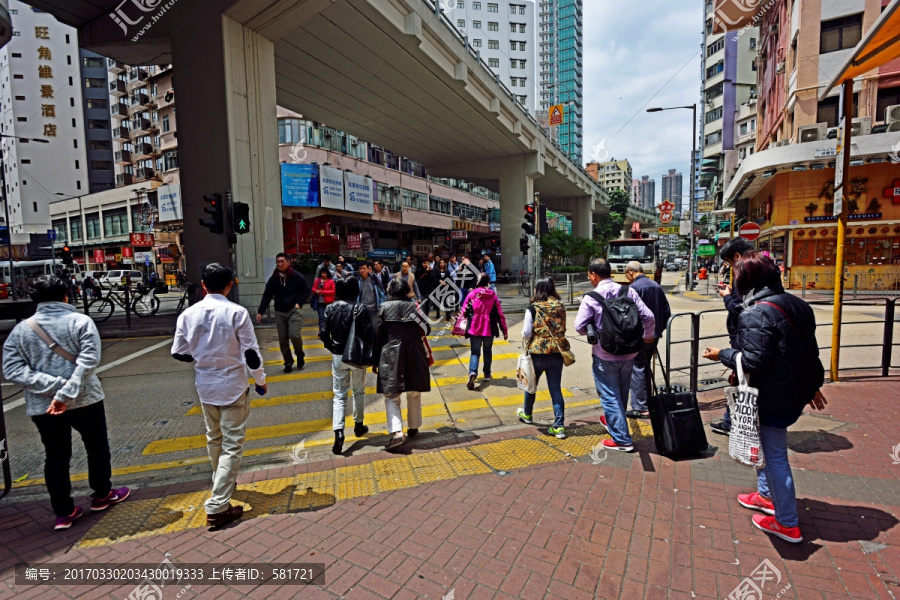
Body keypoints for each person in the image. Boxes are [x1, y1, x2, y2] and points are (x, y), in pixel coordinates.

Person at [702, 251, 826, 544]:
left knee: (775, 457)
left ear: (748, 280)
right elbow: (809, 353)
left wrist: (723, 354)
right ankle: (766, 495)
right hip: (792, 391)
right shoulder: (797, 304)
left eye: (737, 276)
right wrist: (812, 386)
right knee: (769, 450)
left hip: (772, 396)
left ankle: (787, 523)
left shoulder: (755, 312)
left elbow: (755, 361)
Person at [3, 275, 130, 531]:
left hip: (44, 406)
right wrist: (66, 392)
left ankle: (64, 512)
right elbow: (89, 361)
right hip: (86, 401)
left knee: (56, 456)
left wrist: (54, 390)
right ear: (66, 296)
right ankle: (102, 495)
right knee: (96, 447)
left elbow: (12, 369)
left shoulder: (22, 330)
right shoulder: (80, 322)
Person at [172, 263, 266, 527]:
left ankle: (221, 481)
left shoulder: (188, 315)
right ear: (230, 285)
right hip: (233, 385)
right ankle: (217, 505)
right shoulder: (237, 313)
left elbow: (178, 352)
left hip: (205, 385)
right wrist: (260, 381)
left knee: (214, 437)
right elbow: (251, 353)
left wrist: (205, 356)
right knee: (232, 444)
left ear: (203, 285)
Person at [575, 258, 655, 452]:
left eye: (589, 275)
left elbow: (579, 327)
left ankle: (621, 439)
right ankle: (613, 421)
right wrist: (648, 337)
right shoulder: (629, 291)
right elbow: (649, 317)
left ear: (593, 275)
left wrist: (598, 331)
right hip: (630, 352)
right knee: (621, 391)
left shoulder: (591, 297)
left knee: (609, 395)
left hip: (605, 354)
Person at [373, 278, 431, 451]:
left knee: (391, 394)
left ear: (390, 290)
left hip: (391, 354)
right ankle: (413, 427)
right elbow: (427, 329)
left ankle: (397, 433)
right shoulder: (414, 307)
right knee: (413, 392)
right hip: (414, 353)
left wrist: (376, 361)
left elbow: (378, 337)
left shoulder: (383, 307)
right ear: (406, 289)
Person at [710, 236, 756, 436]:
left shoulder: (746, 275)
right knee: (740, 378)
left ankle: (734, 424)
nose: (730, 267)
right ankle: (734, 421)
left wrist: (727, 296)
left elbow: (739, 309)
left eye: (729, 262)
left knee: (740, 377)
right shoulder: (760, 273)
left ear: (737, 256)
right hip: (750, 335)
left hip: (744, 336)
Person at [320, 280, 372, 454]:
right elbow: (367, 333)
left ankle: (339, 433)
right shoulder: (361, 307)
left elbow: (323, 332)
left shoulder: (330, 308)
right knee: (359, 391)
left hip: (337, 356)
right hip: (356, 356)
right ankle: (358, 425)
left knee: (339, 396)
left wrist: (332, 347)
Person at [516, 278, 569, 438]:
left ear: (538, 290)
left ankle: (527, 414)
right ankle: (559, 425)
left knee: (531, 385)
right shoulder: (561, 306)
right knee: (555, 389)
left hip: (537, 354)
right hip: (557, 353)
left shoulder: (533, 309)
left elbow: (526, 333)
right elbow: (563, 328)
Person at [624, 261, 672, 419]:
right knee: (643, 367)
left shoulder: (634, 288)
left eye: (627, 275)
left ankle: (641, 407)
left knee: (637, 368)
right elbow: (666, 312)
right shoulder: (656, 286)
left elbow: (629, 315)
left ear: (631, 272)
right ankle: (646, 402)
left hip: (640, 336)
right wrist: (658, 331)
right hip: (654, 335)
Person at [257, 253, 312, 373]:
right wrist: (261, 311)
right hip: (279, 312)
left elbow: (307, 290)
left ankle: (300, 354)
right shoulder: (274, 278)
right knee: (283, 339)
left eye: (282, 261)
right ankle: (288, 362)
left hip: (294, 310)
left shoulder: (296, 276)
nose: (279, 264)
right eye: (278, 262)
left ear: (288, 262)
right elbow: (267, 295)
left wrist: (299, 303)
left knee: (294, 335)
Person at [462, 273, 508, 390]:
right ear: (488, 282)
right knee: (487, 351)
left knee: (475, 352)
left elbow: (464, 311)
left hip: (475, 327)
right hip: (489, 328)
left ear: (477, 282)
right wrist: (504, 330)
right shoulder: (492, 295)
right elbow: (500, 314)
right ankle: (487, 374)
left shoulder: (472, 294)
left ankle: (472, 373)